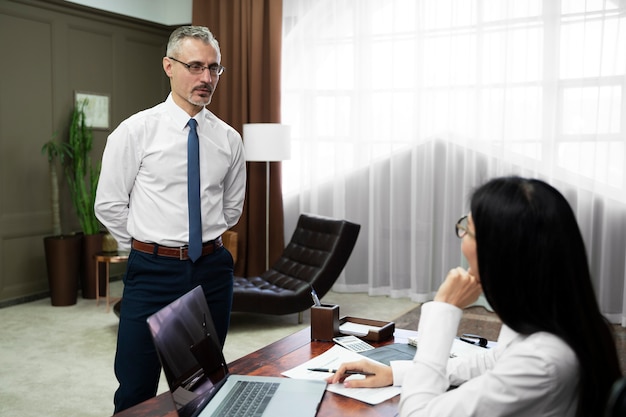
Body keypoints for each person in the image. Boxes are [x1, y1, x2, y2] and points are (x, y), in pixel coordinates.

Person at [327, 177, 621, 416]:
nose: (461, 238)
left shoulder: (543, 360)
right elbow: (491, 363)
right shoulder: (549, 321)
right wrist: (397, 372)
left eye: (467, 230)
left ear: (500, 252)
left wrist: (443, 308)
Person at [94, 25, 246, 413]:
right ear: (169, 66)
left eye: (214, 69)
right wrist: (147, 247)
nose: (206, 78)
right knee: (136, 387)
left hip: (211, 271)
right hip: (151, 273)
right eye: (195, 66)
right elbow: (109, 204)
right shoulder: (135, 131)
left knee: (202, 387)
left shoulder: (228, 139)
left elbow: (231, 209)